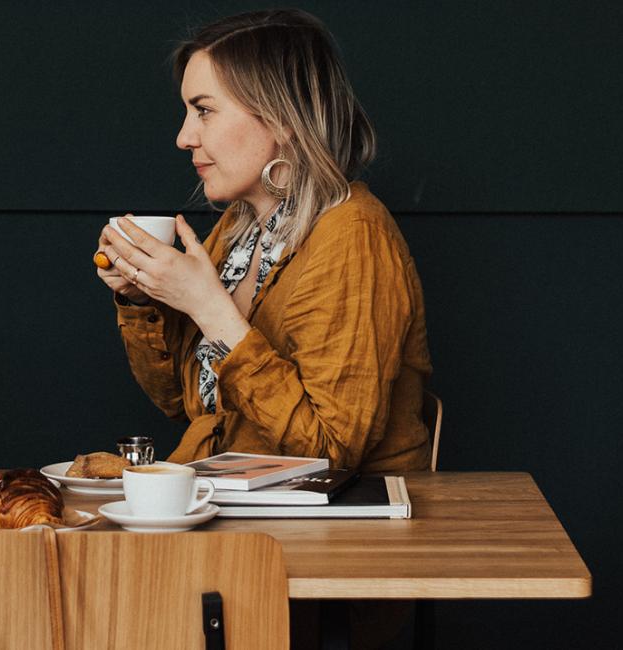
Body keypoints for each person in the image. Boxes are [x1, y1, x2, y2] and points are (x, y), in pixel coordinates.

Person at [94, 10, 433, 646]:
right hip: (232, 528)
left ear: (279, 117)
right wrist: (145, 300)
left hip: (321, 566)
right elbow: (186, 405)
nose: (183, 137)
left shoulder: (351, 235)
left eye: (203, 110)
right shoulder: (243, 230)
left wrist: (212, 309)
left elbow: (329, 451)